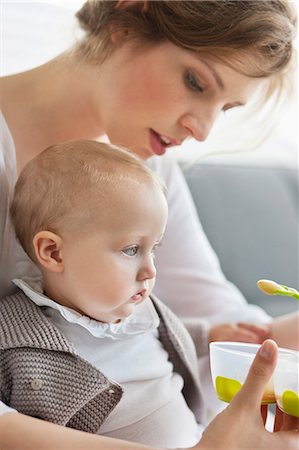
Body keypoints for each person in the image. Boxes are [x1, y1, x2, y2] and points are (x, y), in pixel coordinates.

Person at [0, 0, 298, 447]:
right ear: (126, 19)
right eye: (195, 82)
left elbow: (220, 321)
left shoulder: (145, 171)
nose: (203, 130)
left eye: (228, 108)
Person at [1, 139, 298, 448]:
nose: (151, 271)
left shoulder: (139, 309)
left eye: (153, 249)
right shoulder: (15, 337)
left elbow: (167, 334)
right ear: (53, 252)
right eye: (131, 249)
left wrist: (209, 335)